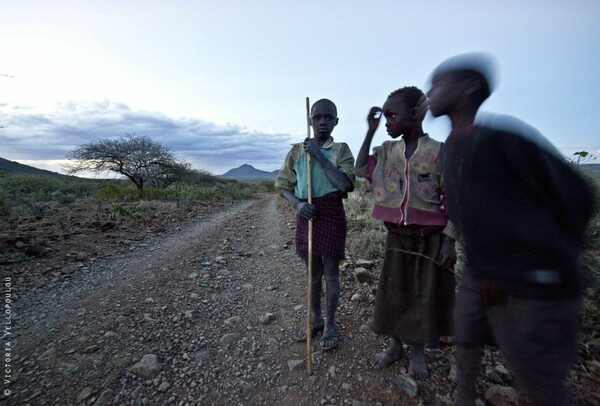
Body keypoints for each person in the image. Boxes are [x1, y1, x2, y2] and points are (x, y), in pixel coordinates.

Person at [427, 53, 597, 405]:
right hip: (484, 273)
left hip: (531, 283)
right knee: (466, 332)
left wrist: (549, 255)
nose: (430, 92)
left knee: (537, 374)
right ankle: (464, 397)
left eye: (439, 83)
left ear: (468, 89)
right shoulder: (453, 149)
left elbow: (578, 194)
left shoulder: (499, 140)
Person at [354, 86, 457, 379]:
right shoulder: (386, 151)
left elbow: (453, 199)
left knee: (423, 296)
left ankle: (417, 352)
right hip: (396, 238)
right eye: (384, 117)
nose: (387, 122)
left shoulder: (439, 151)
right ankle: (394, 345)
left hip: (430, 239)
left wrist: (449, 241)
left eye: (392, 116)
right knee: (394, 294)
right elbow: (362, 169)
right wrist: (370, 131)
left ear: (414, 115)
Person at [275, 98, 356, 351]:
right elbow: (283, 185)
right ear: (310, 120)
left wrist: (319, 155)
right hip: (307, 212)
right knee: (313, 274)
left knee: (331, 273)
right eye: (318, 117)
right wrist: (298, 205)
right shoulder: (296, 151)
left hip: (331, 212)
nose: (323, 122)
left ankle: (331, 324)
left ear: (336, 121)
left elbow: (345, 185)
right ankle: (315, 319)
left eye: (328, 117)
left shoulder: (340, 149)